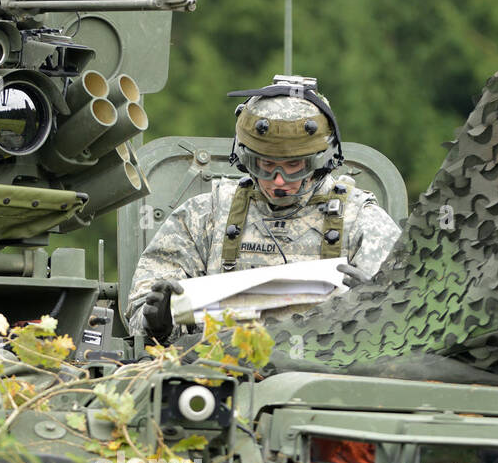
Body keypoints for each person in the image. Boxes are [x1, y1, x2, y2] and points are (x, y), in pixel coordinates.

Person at [126, 76, 402, 341]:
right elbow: (140, 315)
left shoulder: (363, 222)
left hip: (328, 378)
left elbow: (405, 320)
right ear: (246, 160)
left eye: (294, 166)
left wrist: (373, 307)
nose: (279, 180)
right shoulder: (204, 216)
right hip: (217, 375)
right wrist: (158, 322)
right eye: (266, 166)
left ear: (321, 161)